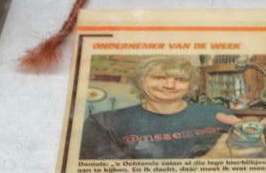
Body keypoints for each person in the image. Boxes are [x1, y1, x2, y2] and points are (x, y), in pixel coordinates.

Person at [79, 56, 238, 160]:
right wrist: (204, 163)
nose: (169, 85)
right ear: (140, 81)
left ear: (191, 85)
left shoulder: (218, 114)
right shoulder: (102, 122)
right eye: (159, 77)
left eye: (180, 79)